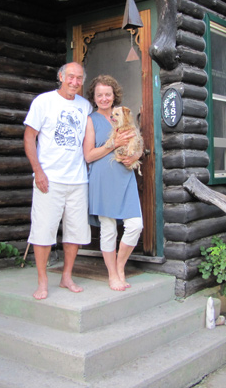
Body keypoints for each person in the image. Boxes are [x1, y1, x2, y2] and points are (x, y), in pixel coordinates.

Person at [23, 62, 93, 300]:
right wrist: (38, 171)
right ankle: (42, 281)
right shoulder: (43, 102)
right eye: (71, 77)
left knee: (75, 232)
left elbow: (88, 143)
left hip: (78, 180)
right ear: (61, 77)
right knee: (43, 231)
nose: (75, 82)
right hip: (49, 179)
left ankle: (66, 277)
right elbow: (29, 138)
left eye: (79, 78)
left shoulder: (85, 106)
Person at [83, 75, 143, 291]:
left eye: (108, 94)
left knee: (135, 225)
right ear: (94, 97)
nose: (104, 98)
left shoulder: (124, 116)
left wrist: (135, 156)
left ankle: (120, 266)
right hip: (102, 179)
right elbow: (89, 155)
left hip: (125, 177)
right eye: (99, 95)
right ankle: (112, 274)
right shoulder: (91, 120)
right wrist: (113, 143)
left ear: (114, 95)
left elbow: (136, 144)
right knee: (108, 229)